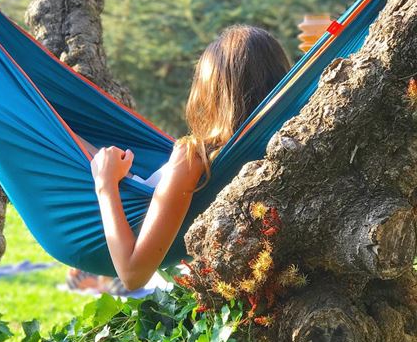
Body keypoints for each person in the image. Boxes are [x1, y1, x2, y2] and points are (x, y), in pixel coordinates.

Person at [89, 24, 291, 291]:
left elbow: (132, 273)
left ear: (212, 90)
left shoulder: (193, 158)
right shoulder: (286, 146)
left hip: (110, 228)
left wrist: (105, 184)